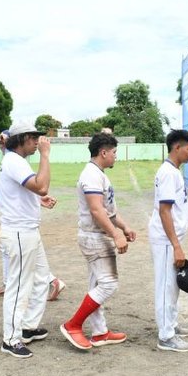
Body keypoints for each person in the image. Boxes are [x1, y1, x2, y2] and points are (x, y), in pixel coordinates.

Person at [60, 133, 136, 350]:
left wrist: (125, 227)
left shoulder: (98, 174)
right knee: (108, 284)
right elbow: (96, 211)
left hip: (96, 235)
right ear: (103, 152)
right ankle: (72, 325)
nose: (115, 157)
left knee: (96, 284)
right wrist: (116, 234)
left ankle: (100, 332)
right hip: (94, 237)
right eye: (113, 153)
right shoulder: (92, 175)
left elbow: (107, 210)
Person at [0, 130, 67, 301]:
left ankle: (40, 284)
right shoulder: (12, 160)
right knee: (27, 271)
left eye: (3, 141)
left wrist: (45, 155)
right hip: (18, 225)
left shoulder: (14, 160)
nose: (0, 144)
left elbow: (40, 187)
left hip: (19, 227)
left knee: (21, 280)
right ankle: (24, 290)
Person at [0, 120, 55, 358]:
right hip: (20, 232)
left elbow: (26, 191)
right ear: (20, 139)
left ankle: (27, 327)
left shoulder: (16, 161)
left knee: (42, 279)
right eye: (32, 138)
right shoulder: (13, 160)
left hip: (28, 230)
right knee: (19, 286)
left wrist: (37, 201)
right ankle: (10, 339)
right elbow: (41, 186)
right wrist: (45, 155)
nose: (35, 142)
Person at [149, 129, 188, 353]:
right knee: (167, 287)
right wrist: (177, 246)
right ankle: (166, 336)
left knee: (173, 286)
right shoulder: (169, 173)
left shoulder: (173, 171)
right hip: (166, 240)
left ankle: (170, 325)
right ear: (177, 147)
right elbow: (164, 211)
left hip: (171, 239)